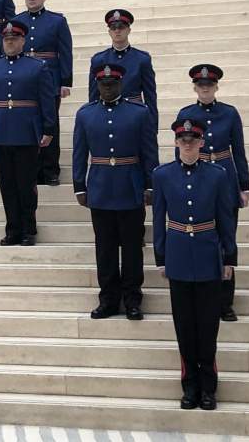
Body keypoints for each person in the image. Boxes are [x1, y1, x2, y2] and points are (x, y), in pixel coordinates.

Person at [154, 118, 238, 411]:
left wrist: (229, 257)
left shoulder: (217, 175)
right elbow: (158, 220)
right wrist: (161, 257)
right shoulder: (162, 175)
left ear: (202, 143)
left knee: (207, 327)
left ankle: (208, 387)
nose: (188, 145)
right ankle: (189, 385)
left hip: (207, 258)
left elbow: (225, 218)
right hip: (177, 257)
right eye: (183, 140)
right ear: (176, 142)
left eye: (193, 140)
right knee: (184, 327)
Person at [73, 64, 159, 321]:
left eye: (112, 84)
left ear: (121, 84)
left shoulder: (139, 113)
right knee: (105, 248)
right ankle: (108, 298)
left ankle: (133, 298)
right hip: (99, 188)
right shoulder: (86, 114)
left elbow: (148, 152)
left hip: (130, 186)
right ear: (97, 86)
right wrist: (79, 184)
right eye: (103, 84)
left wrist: (149, 184)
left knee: (132, 247)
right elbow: (79, 152)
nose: (107, 88)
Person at [175, 64, 249, 322]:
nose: (205, 89)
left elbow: (238, 150)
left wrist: (244, 185)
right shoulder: (186, 114)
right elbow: (181, 153)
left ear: (216, 87)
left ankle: (225, 301)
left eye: (209, 85)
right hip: (197, 178)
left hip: (225, 177)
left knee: (226, 236)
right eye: (200, 85)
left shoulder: (229, 113)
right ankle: (206, 294)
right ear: (195, 87)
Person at [0, 19, 56, 246]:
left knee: (26, 184)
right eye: (6, 39)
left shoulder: (37, 66)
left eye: (14, 39)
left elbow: (46, 100)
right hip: (0, 133)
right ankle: (12, 229)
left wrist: (48, 128)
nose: (10, 43)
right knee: (7, 185)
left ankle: (28, 229)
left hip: (26, 133)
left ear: (23, 41)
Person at [14, 0, 72, 186]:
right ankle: (33, 168)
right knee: (30, 124)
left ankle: (50, 169)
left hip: (49, 79)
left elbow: (64, 52)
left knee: (50, 123)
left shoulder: (56, 21)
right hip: (25, 79)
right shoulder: (17, 21)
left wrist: (66, 81)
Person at [88, 9, 157, 127]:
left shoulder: (142, 59)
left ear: (129, 30)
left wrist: (152, 126)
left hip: (134, 113)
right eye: (113, 28)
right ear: (109, 31)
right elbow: (94, 96)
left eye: (121, 27)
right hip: (107, 112)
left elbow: (150, 96)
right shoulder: (99, 60)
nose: (117, 31)